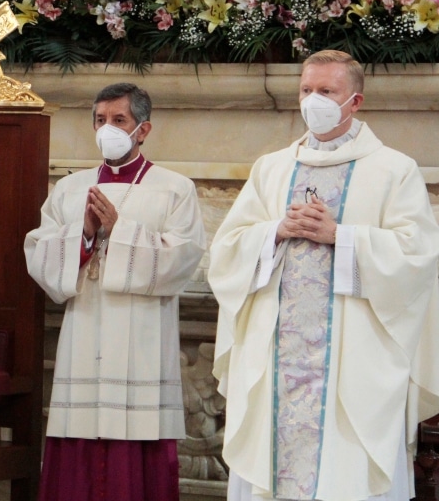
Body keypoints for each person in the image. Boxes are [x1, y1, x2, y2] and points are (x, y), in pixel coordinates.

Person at [210, 49, 439, 500]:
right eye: (306, 90)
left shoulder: (393, 170)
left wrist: (342, 236)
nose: (313, 100)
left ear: (355, 101)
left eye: (326, 91)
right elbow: (226, 249)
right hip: (276, 357)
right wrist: (275, 231)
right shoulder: (271, 168)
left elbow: (419, 255)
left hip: (352, 365)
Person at [25, 83, 206, 500]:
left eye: (118, 120)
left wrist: (119, 231)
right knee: (80, 443)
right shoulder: (71, 189)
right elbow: (38, 253)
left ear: (142, 130)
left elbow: (183, 260)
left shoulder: (175, 188)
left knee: (135, 448)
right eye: (100, 120)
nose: (107, 128)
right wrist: (83, 235)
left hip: (142, 337)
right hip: (84, 329)